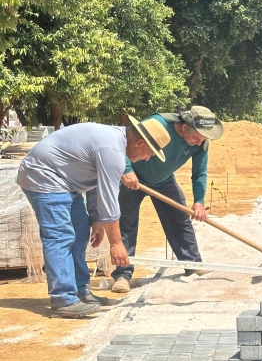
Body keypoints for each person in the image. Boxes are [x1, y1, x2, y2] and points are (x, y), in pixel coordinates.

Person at [16, 117, 169, 318]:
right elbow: (109, 201)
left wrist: (96, 219)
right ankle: (64, 299)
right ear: (140, 143)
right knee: (60, 236)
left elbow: (98, 185)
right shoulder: (112, 150)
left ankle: (79, 289)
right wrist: (116, 244)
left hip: (65, 183)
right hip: (43, 176)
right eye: (150, 153)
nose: (147, 158)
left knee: (80, 232)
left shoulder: (114, 144)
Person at [110, 106, 224, 293]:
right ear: (184, 127)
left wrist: (199, 201)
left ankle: (192, 264)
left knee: (180, 220)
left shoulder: (201, 142)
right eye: (197, 138)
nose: (200, 142)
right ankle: (122, 275)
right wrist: (127, 170)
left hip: (164, 181)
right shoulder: (158, 124)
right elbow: (124, 142)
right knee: (126, 224)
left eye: (203, 139)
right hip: (133, 179)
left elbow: (199, 173)